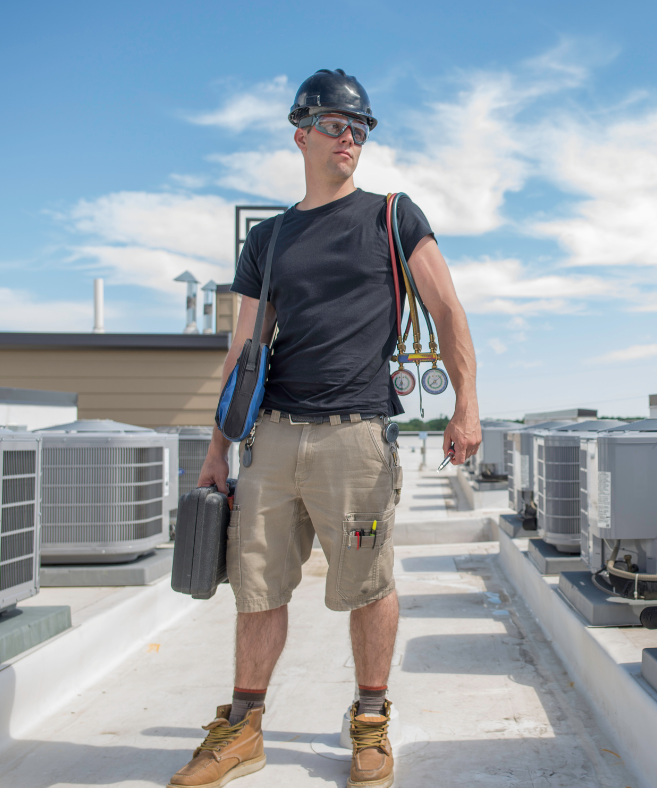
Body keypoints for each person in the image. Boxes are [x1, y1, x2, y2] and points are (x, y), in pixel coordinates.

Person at [168, 68, 481, 788]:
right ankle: (243, 728)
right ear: (301, 131)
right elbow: (242, 353)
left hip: (358, 438)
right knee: (258, 587)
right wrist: (217, 449)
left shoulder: (393, 216)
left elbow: (449, 311)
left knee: (368, 586)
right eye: (338, 125)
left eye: (361, 128)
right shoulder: (271, 241)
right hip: (272, 439)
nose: (351, 138)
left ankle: (370, 722)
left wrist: (466, 406)